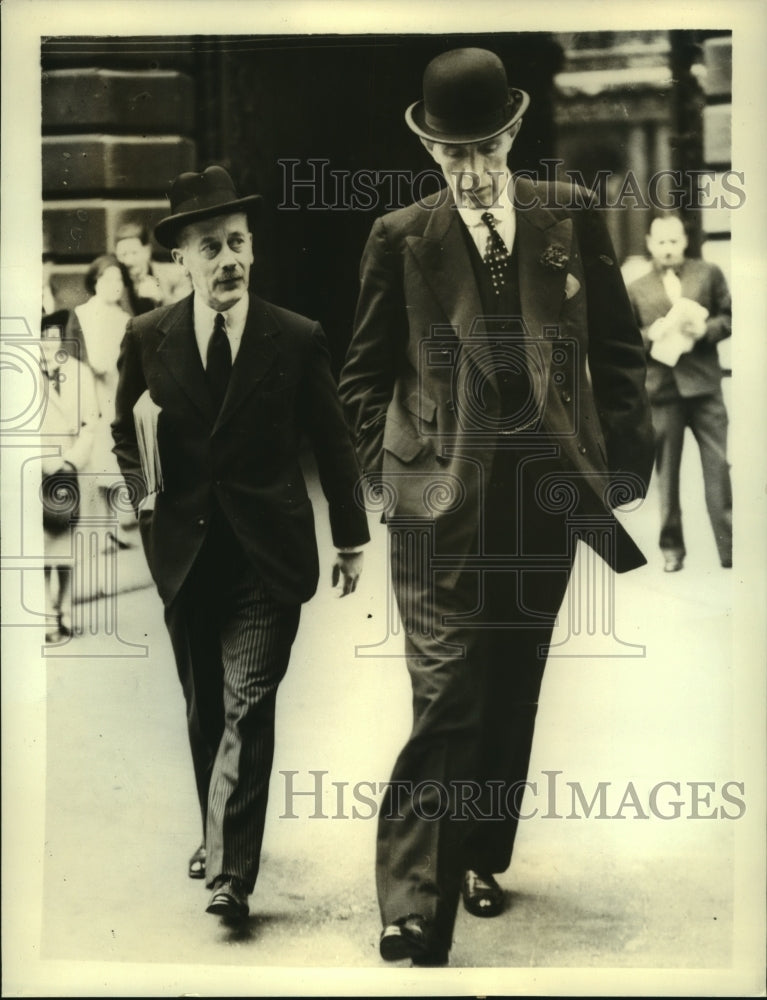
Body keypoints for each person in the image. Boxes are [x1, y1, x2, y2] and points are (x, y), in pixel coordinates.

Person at [339, 47, 655, 966]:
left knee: (511, 683)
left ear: (512, 134)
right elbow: (360, 378)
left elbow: (618, 347)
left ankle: (480, 851)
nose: (471, 174)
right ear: (429, 151)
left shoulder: (568, 218)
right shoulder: (400, 236)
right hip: (437, 507)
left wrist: (618, 471)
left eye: (484, 151)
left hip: (543, 500)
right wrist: (393, 469)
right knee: (445, 693)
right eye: (451, 156)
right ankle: (410, 906)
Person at [112, 165, 370, 922]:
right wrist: (145, 501)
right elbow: (124, 431)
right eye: (209, 249)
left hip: (267, 552)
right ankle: (214, 830)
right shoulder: (147, 337)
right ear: (179, 262)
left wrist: (351, 538)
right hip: (186, 555)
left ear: (252, 251)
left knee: (248, 705)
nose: (227, 261)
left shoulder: (294, 337)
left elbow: (334, 440)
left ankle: (231, 874)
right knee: (205, 708)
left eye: (237, 244)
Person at [627, 214, 732, 571]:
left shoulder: (708, 273)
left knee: (718, 469)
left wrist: (705, 329)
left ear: (684, 241)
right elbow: (625, 339)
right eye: (661, 242)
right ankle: (672, 550)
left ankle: (729, 547)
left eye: (674, 241)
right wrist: (648, 334)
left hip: (704, 387)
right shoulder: (636, 288)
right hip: (663, 391)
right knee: (666, 475)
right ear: (650, 243)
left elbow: (730, 316)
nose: (668, 248)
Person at [65, 254, 133, 547]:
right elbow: (72, 356)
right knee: (92, 461)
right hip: (88, 394)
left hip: (116, 396)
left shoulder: (126, 319)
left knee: (114, 459)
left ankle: (114, 527)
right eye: (108, 278)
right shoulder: (81, 313)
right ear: (96, 281)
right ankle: (94, 529)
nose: (114, 285)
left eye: (119, 279)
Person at [39, 316, 99, 642]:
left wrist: (71, 460)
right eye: (42, 337)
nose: (48, 343)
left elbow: (91, 422)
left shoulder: (79, 372)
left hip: (71, 471)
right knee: (41, 550)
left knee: (68, 548)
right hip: (37, 470)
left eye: (53, 337)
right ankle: (47, 616)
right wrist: (45, 462)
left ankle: (67, 609)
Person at [113, 220, 190, 315]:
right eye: (123, 255)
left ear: (147, 251)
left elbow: (186, 315)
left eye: (134, 253)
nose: (129, 261)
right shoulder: (114, 281)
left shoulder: (177, 275)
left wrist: (161, 298)